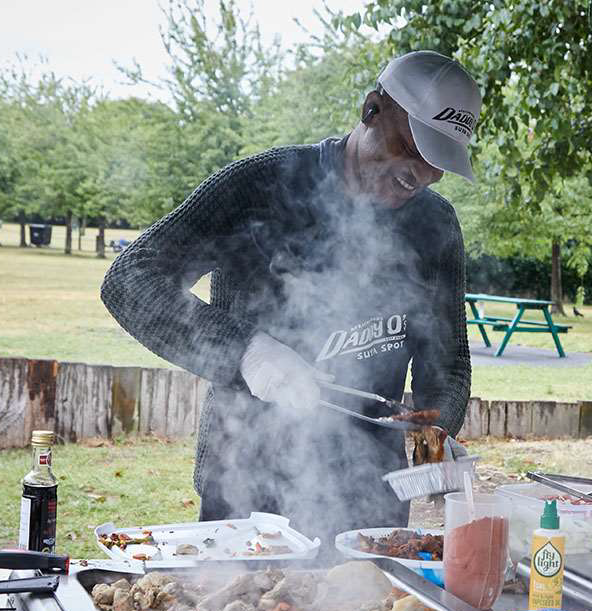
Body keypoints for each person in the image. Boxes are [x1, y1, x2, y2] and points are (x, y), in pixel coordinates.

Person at [101, 50, 481, 540]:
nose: (423, 173)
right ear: (372, 110)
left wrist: (438, 428)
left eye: (438, 161)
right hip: (248, 485)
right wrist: (248, 353)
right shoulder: (260, 185)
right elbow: (131, 278)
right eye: (414, 148)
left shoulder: (435, 223)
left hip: (369, 496)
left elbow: (447, 360)